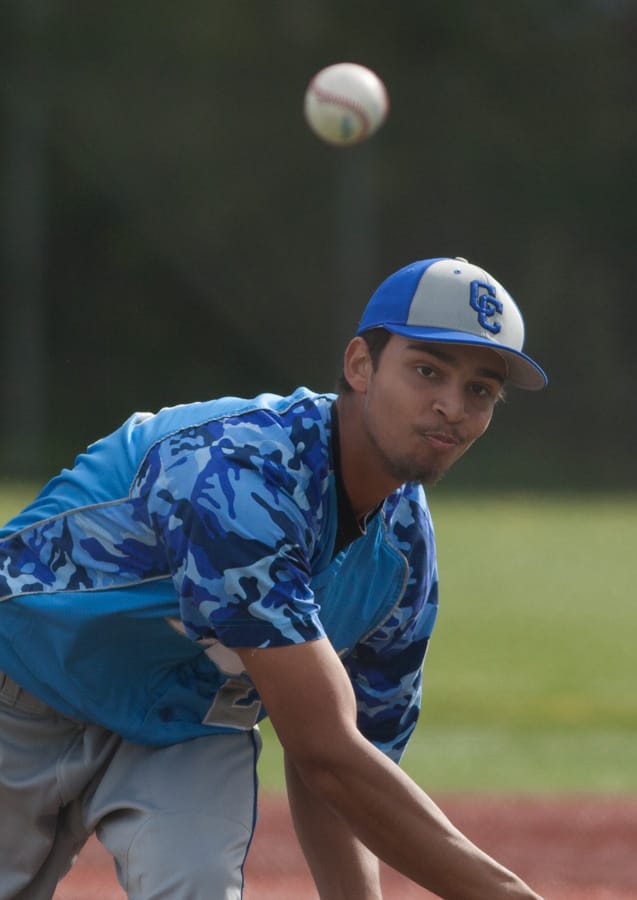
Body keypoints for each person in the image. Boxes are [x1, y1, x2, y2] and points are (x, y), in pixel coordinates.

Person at [0, 256, 547, 900]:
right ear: (360, 366)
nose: (452, 407)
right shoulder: (238, 473)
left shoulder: (402, 550)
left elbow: (349, 770)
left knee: (199, 887)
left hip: (185, 725)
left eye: (480, 390)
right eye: (426, 370)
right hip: (24, 688)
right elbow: (326, 754)